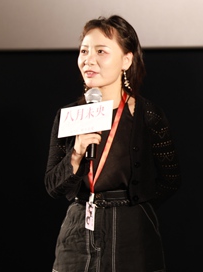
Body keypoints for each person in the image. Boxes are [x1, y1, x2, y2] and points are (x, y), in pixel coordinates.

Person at [45, 15, 181, 272]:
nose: (89, 60)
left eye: (101, 51)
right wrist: (76, 154)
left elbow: (170, 179)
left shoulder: (147, 115)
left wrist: (133, 206)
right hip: (78, 230)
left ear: (126, 60)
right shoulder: (69, 115)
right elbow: (53, 186)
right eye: (84, 51)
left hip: (131, 231)